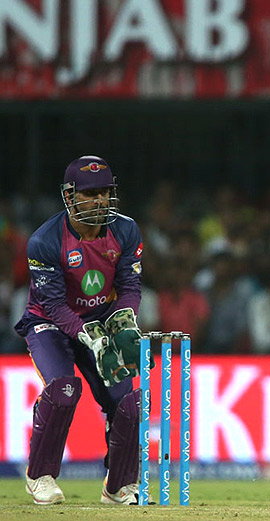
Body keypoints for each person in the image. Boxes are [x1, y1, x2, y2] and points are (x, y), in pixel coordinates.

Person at [14, 155, 147, 505]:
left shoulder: (126, 230)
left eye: (104, 192)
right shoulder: (44, 241)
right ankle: (40, 476)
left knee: (128, 402)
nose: (100, 200)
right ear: (70, 196)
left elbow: (130, 288)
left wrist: (123, 321)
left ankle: (119, 486)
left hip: (101, 319)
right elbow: (55, 306)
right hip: (49, 324)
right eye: (90, 194)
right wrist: (91, 336)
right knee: (64, 390)